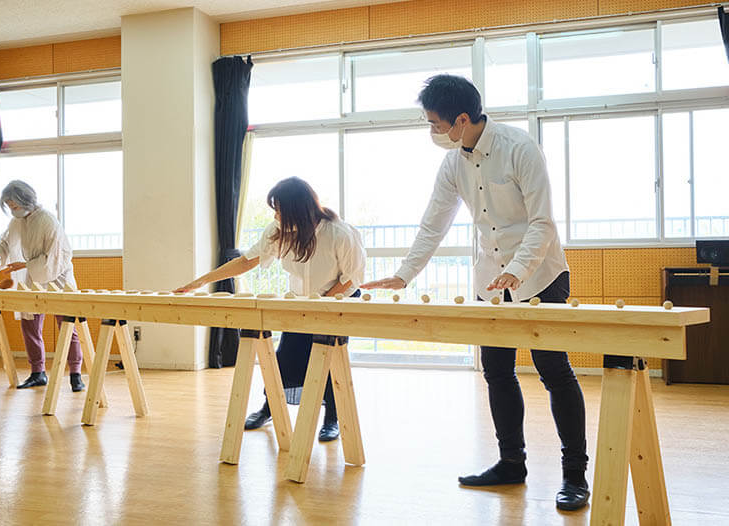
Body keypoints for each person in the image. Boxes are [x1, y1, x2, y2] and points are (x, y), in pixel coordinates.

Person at [361, 75, 589, 511]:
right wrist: (404, 275)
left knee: (554, 372)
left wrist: (518, 271)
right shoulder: (453, 165)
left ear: (462, 120)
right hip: (491, 281)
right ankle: (511, 463)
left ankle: (575, 475)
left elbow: (542, 221)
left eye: (435, 123)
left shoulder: (520, 148)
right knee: (497, 371)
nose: (433, 131)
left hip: (541, 275)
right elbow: (433, 224)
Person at [176, 177, 366, 442]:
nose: (276, 215)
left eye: (279, 209)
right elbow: (246, 261)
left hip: (337, 301)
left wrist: (321, 305)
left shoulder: (339, 233)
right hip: (300, 304)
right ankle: (269, 408)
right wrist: (200, 281)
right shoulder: (279, 231)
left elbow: (351, 278)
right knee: (285, 358)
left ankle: (333, 418)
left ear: (297, 208)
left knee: (330, 360)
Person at [0, 180, 85, 392]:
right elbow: (7, 242)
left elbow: (57, 256)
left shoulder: (47, 221)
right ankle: (38, 372)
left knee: (67, 325)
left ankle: (76, 374)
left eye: (14, 205)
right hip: (33, 275)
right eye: (9, 206)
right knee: (29, 324)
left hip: (58, 276)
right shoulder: (18, 222)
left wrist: (26, 265)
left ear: (25, 200)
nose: (13, 210)